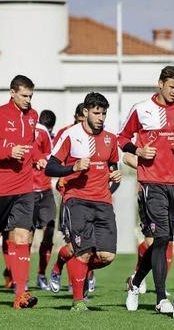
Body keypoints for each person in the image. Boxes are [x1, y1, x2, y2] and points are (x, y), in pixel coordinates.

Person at [119, 65, 174, 315]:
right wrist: (138, 151)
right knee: (160, 237)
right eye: (171, 87)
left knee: (165, 239)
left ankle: (135, 283)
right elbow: (121, 138)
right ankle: (161, 298)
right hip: (151, 182)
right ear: (160, 84)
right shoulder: (141, 109)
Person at [0, 75, 46, 310]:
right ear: (12, 92)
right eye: (24, 96)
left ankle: (21, 294)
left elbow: (31, 144)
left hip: (25, 188)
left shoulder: (33, 116)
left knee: (23, 238)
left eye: (30, 96)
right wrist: (8, 151)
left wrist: (39, 158)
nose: (28, 100)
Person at [45, 92, 121, 311]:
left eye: (104, 113)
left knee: (107, 256)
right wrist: (73, 167)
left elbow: (114, 170)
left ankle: (62, 262)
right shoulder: (70, 135)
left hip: (103, 202)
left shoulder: (110, 138)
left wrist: (115, 178)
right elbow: (51, 167)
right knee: (84, 251)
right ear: (85, 112)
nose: (101, 117)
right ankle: (78, 301)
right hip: (76, 200)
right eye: (96, 112)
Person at [49, 103, 87, 293]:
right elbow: (54, 162)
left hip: (94, 197)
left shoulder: (100, 135)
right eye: (80, 120)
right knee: (74, 243)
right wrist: (63, 178)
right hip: (71, 195)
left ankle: (83, 281)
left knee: (92, 244)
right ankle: (59, 269)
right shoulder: (66, 133)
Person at [32, 109, 56, 290]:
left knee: (49, 232)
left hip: (46, 190)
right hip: (27, 191)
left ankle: (41, 274)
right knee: (25, 236)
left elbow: (50, 155)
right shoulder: (19, 130)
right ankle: (19, 278)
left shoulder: (43, 133)